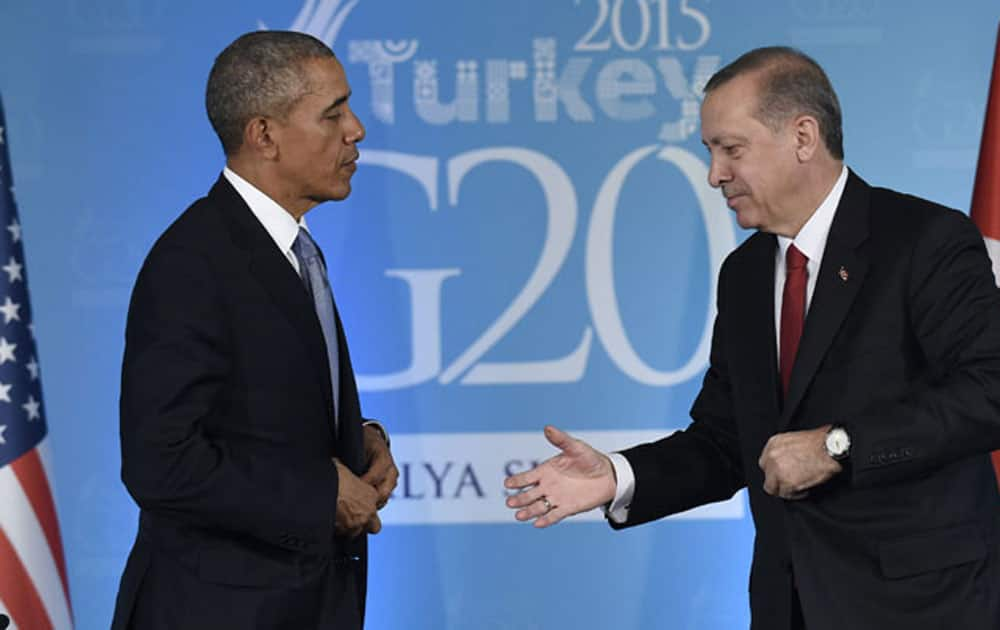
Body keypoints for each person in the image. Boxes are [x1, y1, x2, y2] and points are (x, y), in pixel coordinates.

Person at [505, 46, 1000, 630]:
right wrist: (619, 475)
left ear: (803, 136)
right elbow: (726, 441)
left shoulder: (924, 240)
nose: (715, 174)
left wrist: (837, 445)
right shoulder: (743, 276)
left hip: (925, 606)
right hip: (788, 608)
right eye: (710, 152)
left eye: (731, 149)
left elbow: (989, 389)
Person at [111, 31, 398, 629]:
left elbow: (261, 412)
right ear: (263, 135)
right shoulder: (194, 261)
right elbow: (159, 461)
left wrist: (359, 436)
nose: (357, 130)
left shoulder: (290, 248)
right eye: (333, 112)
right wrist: (320, 495)